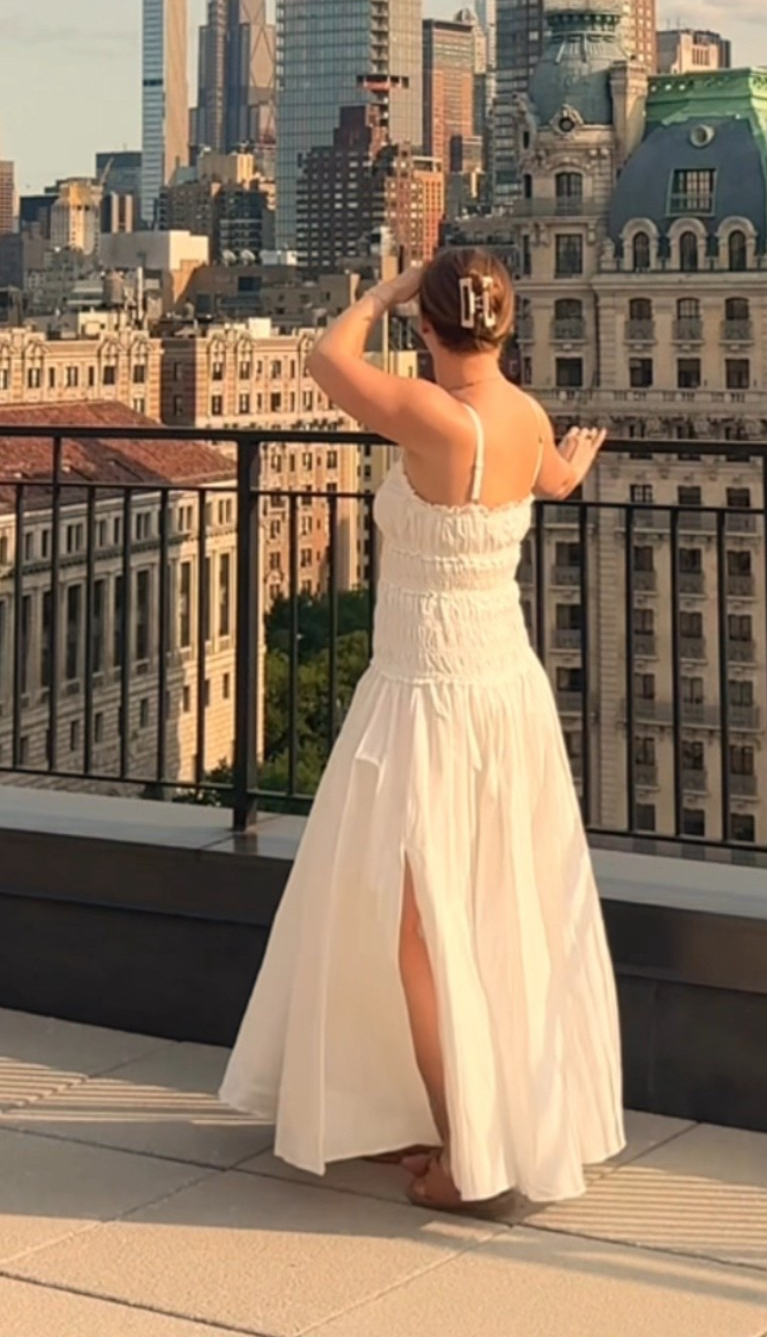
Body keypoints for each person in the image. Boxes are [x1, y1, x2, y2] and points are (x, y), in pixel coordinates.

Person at [219, 247, 624, 1214]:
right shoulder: (523, 418)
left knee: (420, 932)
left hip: (425, 693)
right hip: (502, 692)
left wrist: (379, 294)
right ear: (507, 327)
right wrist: (568, 466)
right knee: (499, 908)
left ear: (430, 331)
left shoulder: (434, 417)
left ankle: (465, 1151)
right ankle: (476, 1114)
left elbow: (323, 359)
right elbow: (552, 487)